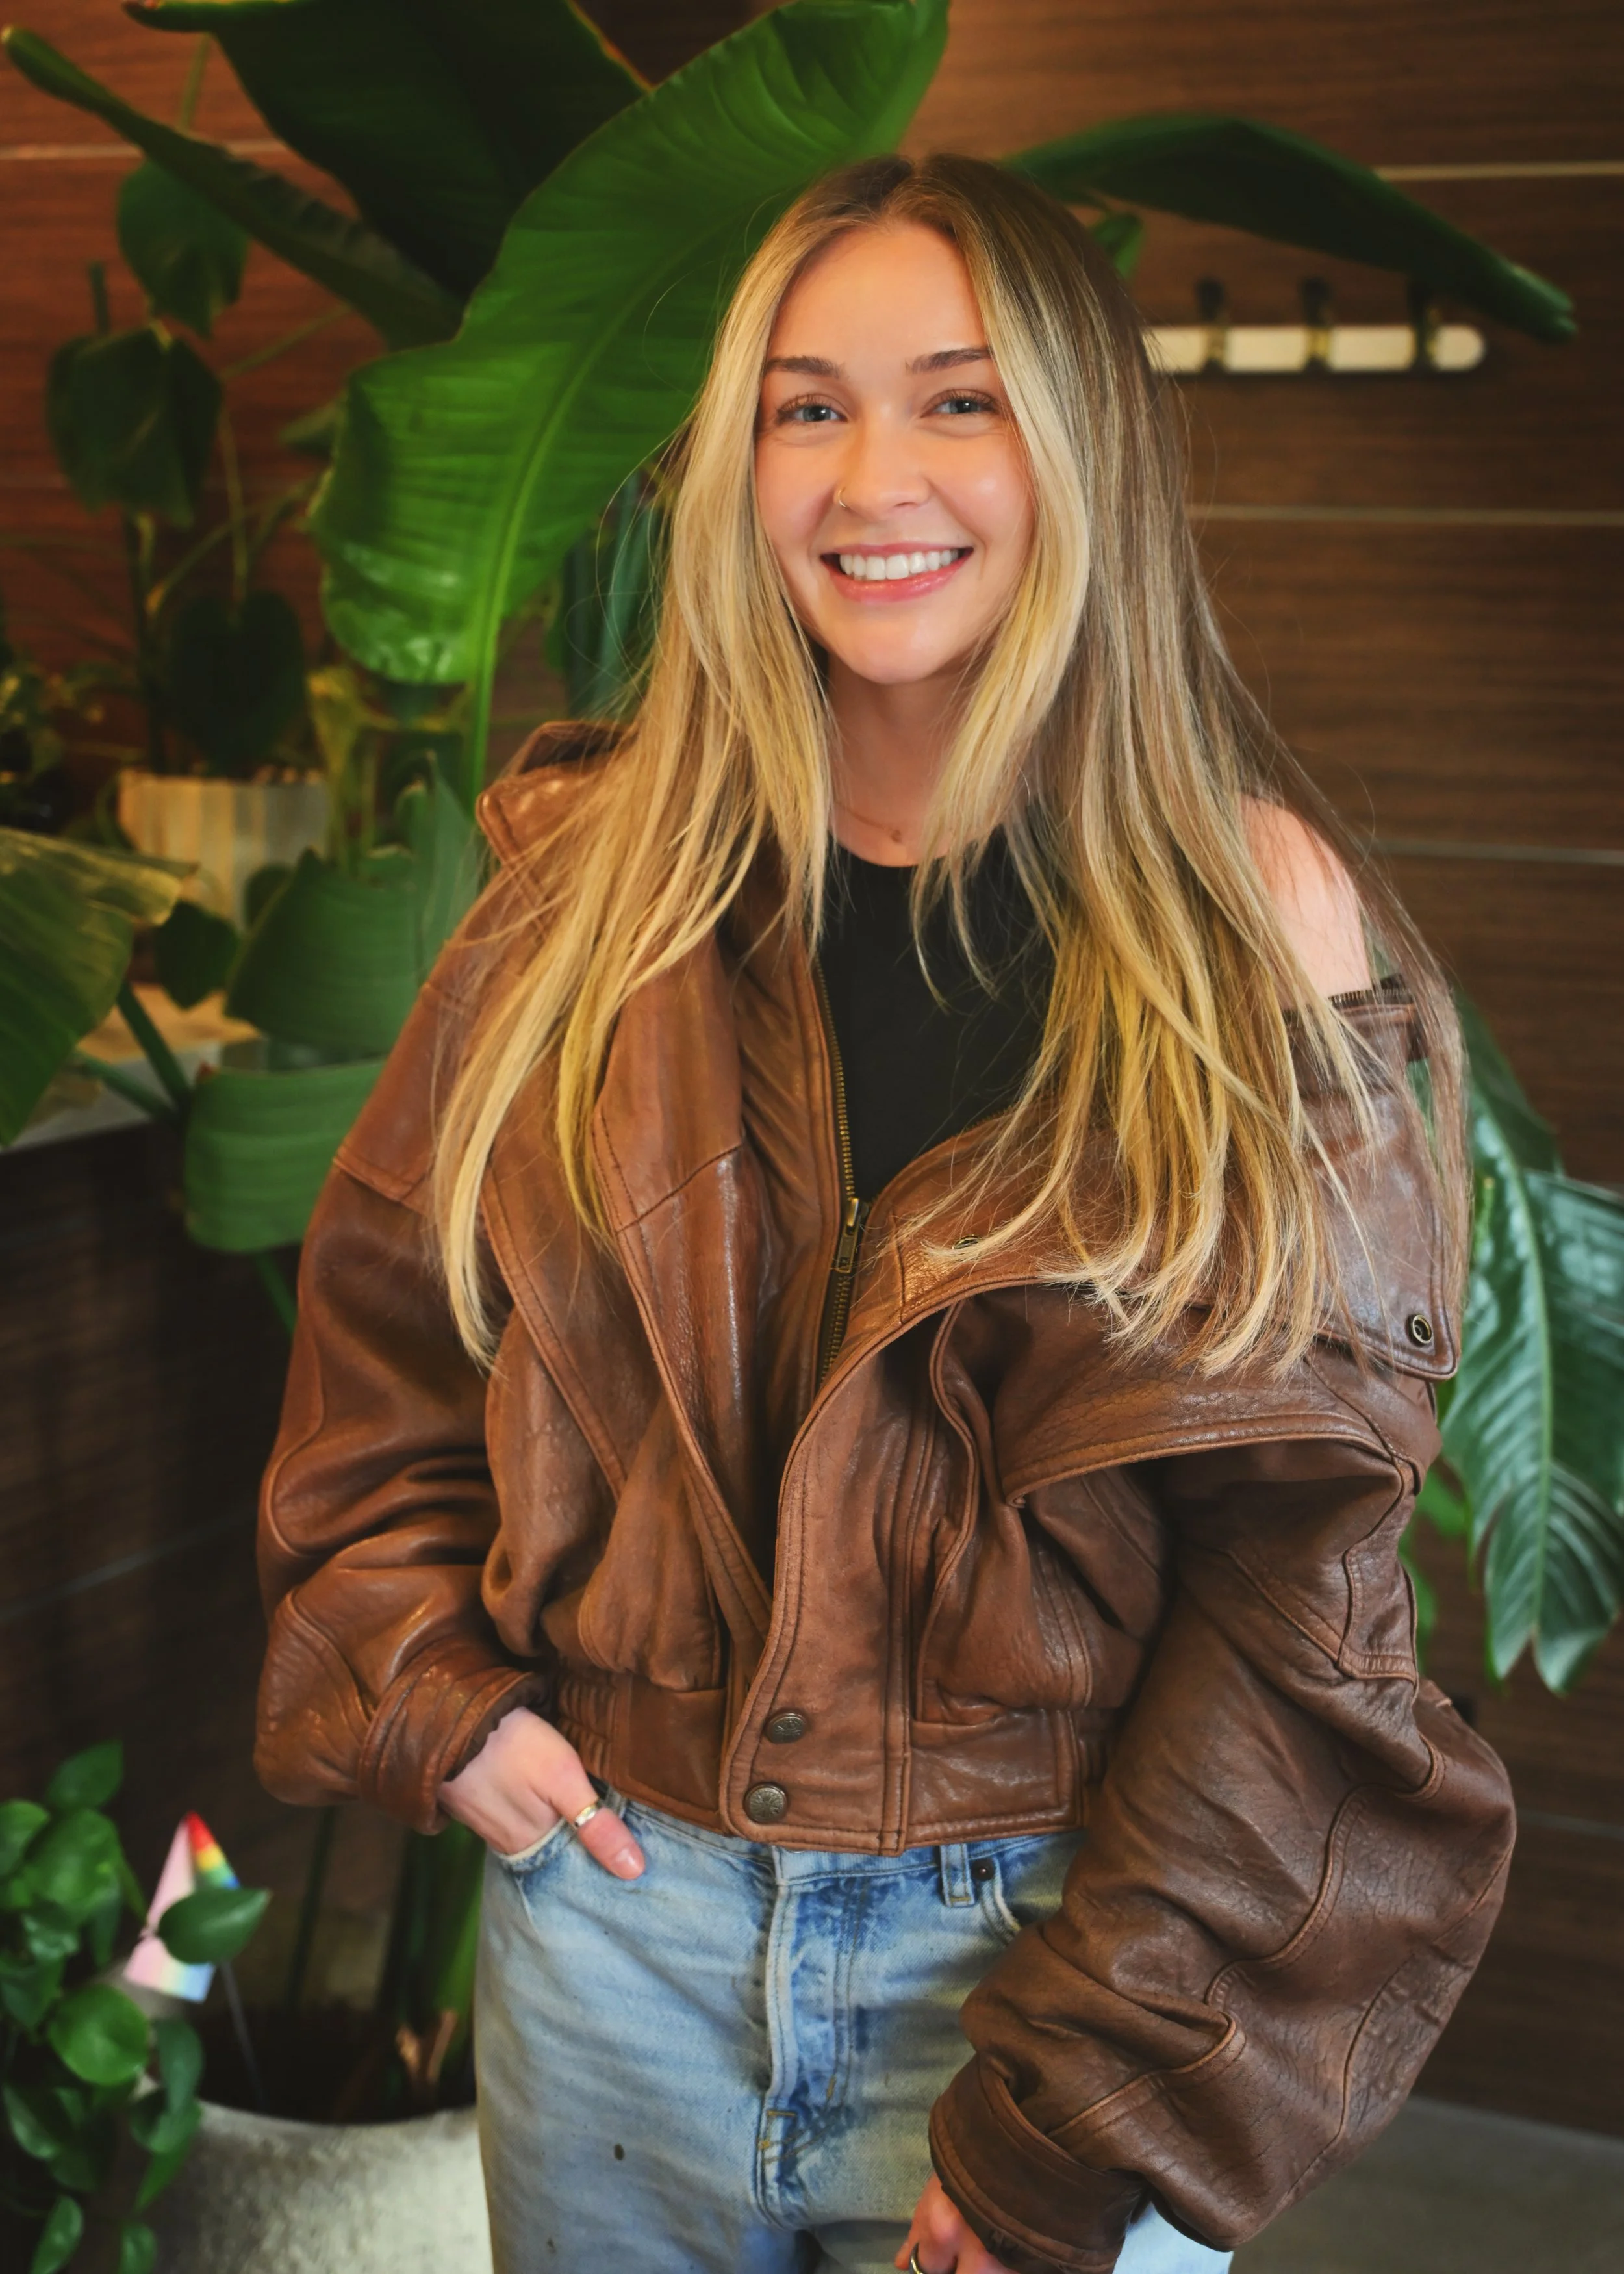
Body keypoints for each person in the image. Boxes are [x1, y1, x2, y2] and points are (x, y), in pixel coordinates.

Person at [253, 155, 1514, 2274]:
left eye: (957, 398)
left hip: (1038, 1952)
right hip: (614, 1939)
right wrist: (428, 1687)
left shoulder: (1250, 925)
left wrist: (1075, 2104)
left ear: (1078, 446)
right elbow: (384, 1339)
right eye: (803, 405)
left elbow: (1301, 1597)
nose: (870, 475)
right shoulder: (590, 892)